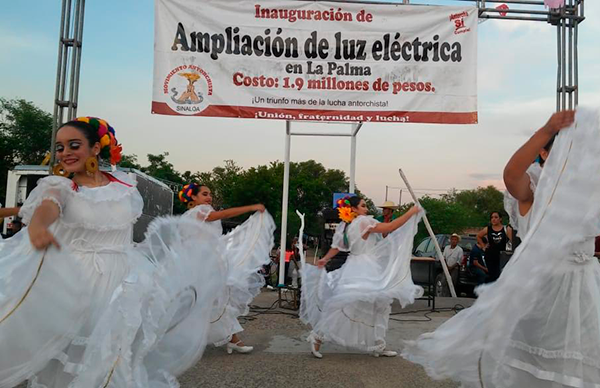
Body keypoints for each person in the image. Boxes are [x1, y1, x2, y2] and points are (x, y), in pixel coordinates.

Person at [0, 117, 223, 388]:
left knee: (114, 356)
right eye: (60, 148)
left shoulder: (125, 187)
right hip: (77, 280)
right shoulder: (60, 186)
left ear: (96, 148)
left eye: (74, 145)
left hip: (122, 279)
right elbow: (49, 206)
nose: (65, 153)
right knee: (71, 356)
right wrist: (38, 226)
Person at [401, 109, 600, 388]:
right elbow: (511, 173)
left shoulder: (585, 195)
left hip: (582, 290)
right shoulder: (533, 186)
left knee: (579, 367)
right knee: (533, 364)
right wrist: (547, 129)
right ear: (544, 154)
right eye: (563, 151)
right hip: (542, 288)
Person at [300, 196, 422, 358]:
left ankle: (378, 344)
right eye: (363, 206)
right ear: (354, 209)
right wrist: (411, 212)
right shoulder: (363, 222)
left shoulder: (347, 226)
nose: (366, 209)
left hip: (357, 266)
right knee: (350, 304)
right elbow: (390, 227)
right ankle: (318, 336)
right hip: (364, 268)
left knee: (378, 304)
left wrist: (325, 259)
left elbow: (337, 247)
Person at [178, 182, 275, 354]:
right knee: (212, 301)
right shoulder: (201, 211)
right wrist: (251, 207)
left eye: (210, 194)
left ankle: (231, 339)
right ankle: (229, 340)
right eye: (205, 194)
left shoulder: (186, 216)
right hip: (204, 265)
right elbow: (221, 214)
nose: (209, 197)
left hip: (198, 264)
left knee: (211, 302)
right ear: (193, 197)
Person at [476, 211, 513, 282]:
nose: (493, 219)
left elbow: (512, 241)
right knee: (492, 276)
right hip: (490, 255)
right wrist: (483, 246)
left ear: (500, 219)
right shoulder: (488, 229)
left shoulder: (506, 229)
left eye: (496, 217)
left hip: (502, 256)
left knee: (500, 276)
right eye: (492, 217)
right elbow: (478, 236)